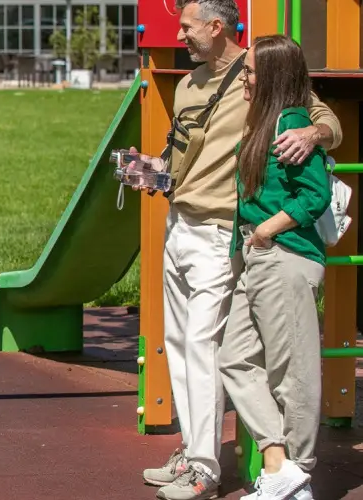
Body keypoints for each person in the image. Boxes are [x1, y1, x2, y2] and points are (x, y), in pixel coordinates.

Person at [131, 1, 343, 499]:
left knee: (209, 345)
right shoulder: (188, 84)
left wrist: (312, 135)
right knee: (183, 345)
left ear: (216, 25)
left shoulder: (264, 71)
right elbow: (184, 156)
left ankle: (212, 468)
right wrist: (155, 170)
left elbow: (325, 120)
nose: (178, 34)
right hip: (182, 219)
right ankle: (194, 450)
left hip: (230, 229)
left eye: (186, 26)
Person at [217, 34, 329, 500]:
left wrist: (266, 230)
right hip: (258, 256)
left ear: (273, 76)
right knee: (234, 357)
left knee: (292, 371)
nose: (244, 78)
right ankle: (281, 464)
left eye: (250, 72)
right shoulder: (266, 118)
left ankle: (297, 471)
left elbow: (315, 193)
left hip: (282, 255)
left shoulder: (291, 121)